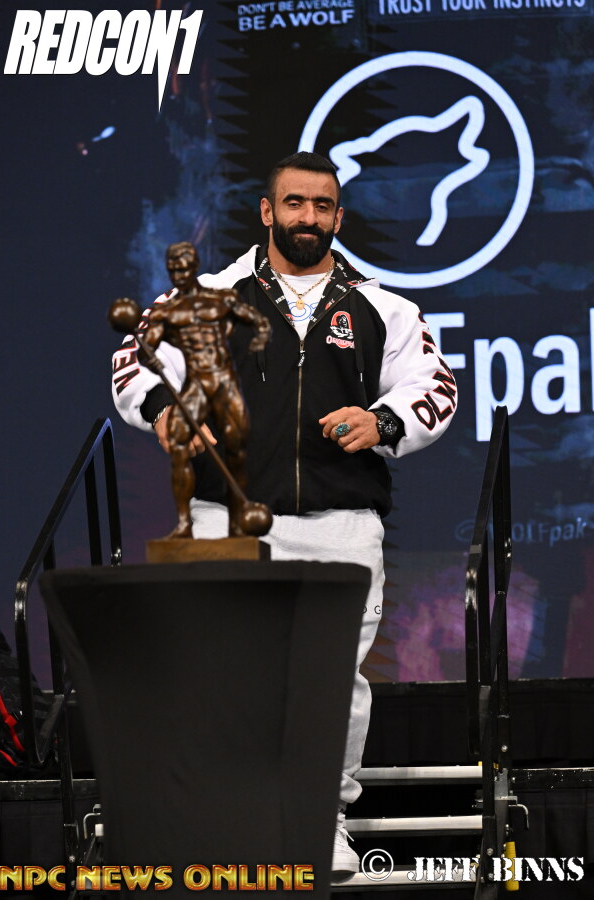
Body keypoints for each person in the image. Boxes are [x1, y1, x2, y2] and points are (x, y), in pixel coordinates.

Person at [112, 151, 457, 877]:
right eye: (295, 203)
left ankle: (319, 822)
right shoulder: (209, 294)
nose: (309, 217)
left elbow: (435, 385)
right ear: (267, 212)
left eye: (322, 206)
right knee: (219, 675)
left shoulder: (384, 307)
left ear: (339, 217)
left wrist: (383, 421)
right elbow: (133, 362)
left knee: (333, 682)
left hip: (342, 521)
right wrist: (163, 411)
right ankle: (221, 821)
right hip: (224, 514)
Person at [135, 241, 271, 538]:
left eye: (184, 269)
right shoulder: (167, 312)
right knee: (181, 447)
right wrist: (148, 354)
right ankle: (185, 523)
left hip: (224, 383)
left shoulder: (221, 298)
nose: (180, 275)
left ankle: (236, 522)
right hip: (198, 388)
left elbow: (260, 323)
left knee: (237, 447)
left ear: (194, 267)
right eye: (174, 270)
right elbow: (142, 352)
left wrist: (259, 342)